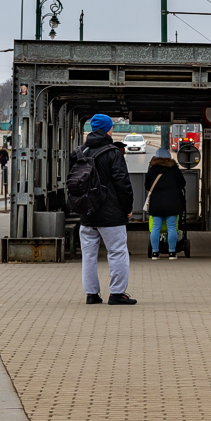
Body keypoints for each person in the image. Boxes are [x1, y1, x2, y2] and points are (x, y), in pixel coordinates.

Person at [70, 114, 136, 305]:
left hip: (87, 212)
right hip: (111, 214)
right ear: (108, 129)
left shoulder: (79, 151)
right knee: (117, 251)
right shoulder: (113, 153)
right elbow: (123, 184)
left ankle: (91, 294)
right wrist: (127, 208)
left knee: (88, 254)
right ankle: (117, 293)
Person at [145, 149, 186, 260]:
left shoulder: (152, 170)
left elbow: (147, 185)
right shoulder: (174, 170)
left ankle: (155, 253)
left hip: (157, 202)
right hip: (173, 202)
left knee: (156, 228)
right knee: (172, 227)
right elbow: (183, 183)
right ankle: (172, 253)